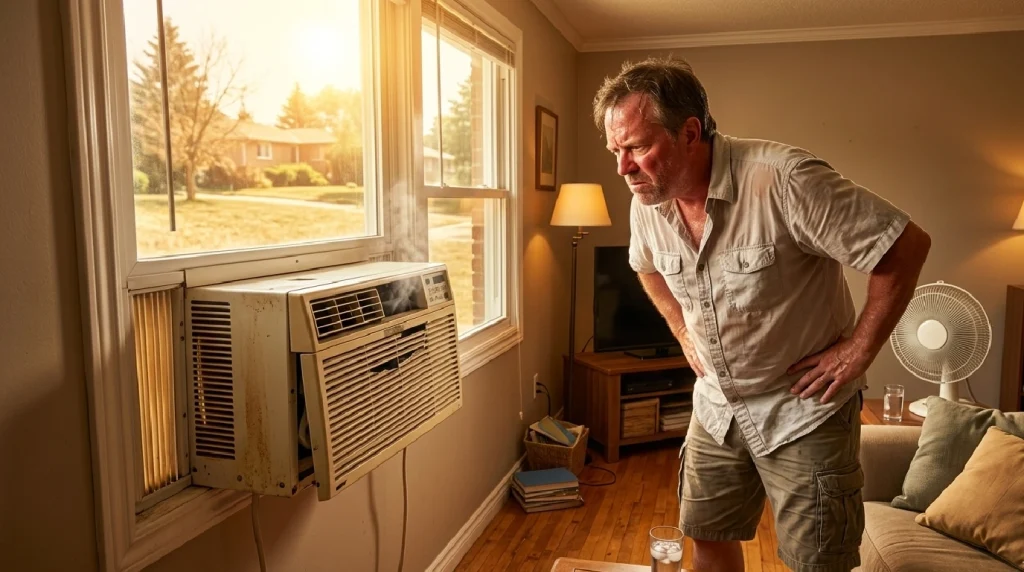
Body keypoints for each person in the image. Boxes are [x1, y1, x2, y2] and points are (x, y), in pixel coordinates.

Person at [592, 56, 931, 572]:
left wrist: (858, 350)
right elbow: (645, 266)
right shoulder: (647, 202)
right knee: (707, 537)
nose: (622, 167)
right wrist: (681, 329)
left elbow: (904, 246)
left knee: (818, 561)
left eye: (637, 147)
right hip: (716, 407)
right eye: (616, 150)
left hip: (805, 411)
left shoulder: (785, 180)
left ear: (689, 132)